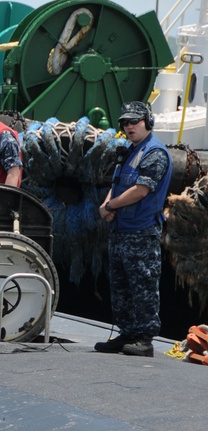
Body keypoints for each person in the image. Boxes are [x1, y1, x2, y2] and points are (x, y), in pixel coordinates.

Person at [95, 101, 172, 358]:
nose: (130, 126)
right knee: (121, 285)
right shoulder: (129, 150)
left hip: (140, 231)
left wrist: (111, 205)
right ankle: (127, 332)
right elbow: (117, 183)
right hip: (120, 230)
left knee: (143, 285)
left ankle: (144, 339)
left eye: (135, 121)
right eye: (126, 123)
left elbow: (141, 190)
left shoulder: (155, 153)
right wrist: (107, 204)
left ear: (148, 122)